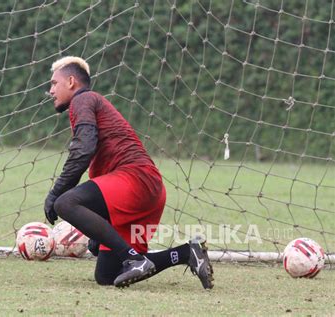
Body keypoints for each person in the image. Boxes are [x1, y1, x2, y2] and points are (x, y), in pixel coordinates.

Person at [43, 56, 214, 289]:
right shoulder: (90, 103)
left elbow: (83, 150)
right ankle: (187, 253)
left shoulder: (83, 100)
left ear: (71, 81)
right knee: (107, 276)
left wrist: (56, 193)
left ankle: (133, 258)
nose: (51, 90)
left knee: (66, 203)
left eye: (54, 83)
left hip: (135, 179)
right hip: (147, 189)